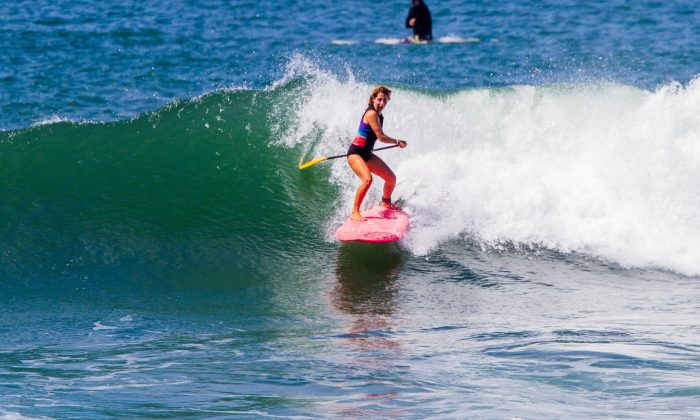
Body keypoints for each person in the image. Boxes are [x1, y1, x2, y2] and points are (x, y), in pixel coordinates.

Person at [347, 86, 407, 221]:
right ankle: (354, 212)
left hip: (367, 154)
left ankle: (386, 202)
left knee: (391, 178)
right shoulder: (372, 114)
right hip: (355, 153)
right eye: (379, 99)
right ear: (373, 99)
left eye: (385, 101)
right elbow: (380, 137)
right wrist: (397, 142)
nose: (382, 103)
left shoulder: (380, 115)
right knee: (367, 180)